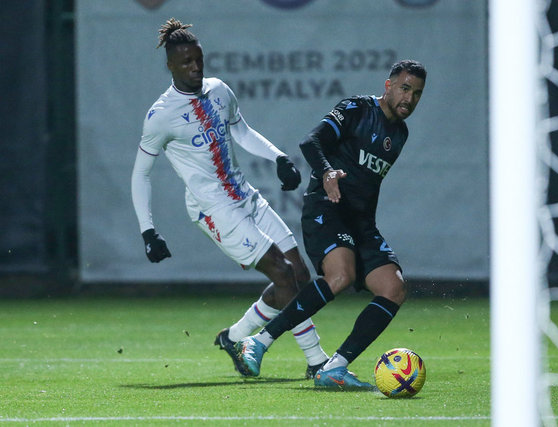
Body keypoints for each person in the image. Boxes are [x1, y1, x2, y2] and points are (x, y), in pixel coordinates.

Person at [131, 18, 328, 378]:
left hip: (244, 194)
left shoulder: (219, 90)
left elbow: (243, 131)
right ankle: (317, 361)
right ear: (170, 65)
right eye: (186, 62)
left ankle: (235, 337)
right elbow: (140, 174)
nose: (195, 67)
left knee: (299, 273)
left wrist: (278, 157)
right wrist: (148, 230)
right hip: (213, 208)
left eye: (199, 60)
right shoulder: (161, 116)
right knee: (283, 274)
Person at [235, 60, 427, 390]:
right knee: (340, 275)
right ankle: (258, 341)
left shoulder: (400, 133)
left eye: (417, 93)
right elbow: (311, 142)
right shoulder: (357, 109)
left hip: (361, 223)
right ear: (388, 86)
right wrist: (327, 172)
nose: (409, 99)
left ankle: (334, 368)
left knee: (393, 288)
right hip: (328, 207)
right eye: (404, 88)